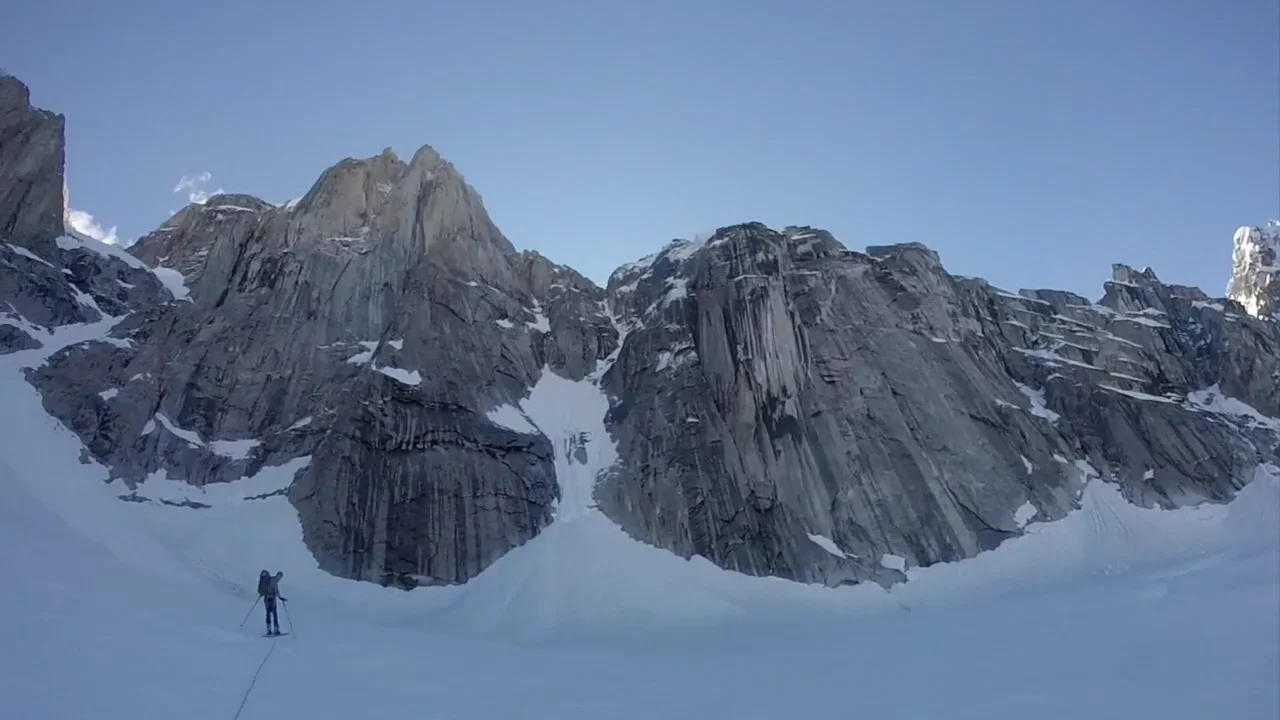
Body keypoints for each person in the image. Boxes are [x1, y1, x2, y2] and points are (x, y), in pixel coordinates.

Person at [257, 569, 288, 635]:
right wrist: (280, 597)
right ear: (278, 575)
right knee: (274, 613)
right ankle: (276, 630)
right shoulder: (274, 580)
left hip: (266, 598)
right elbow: (276, 590)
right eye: (279, 576)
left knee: (268, 613)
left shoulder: (270, 580)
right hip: (271, 599)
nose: (279, 578)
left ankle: (268, 630)